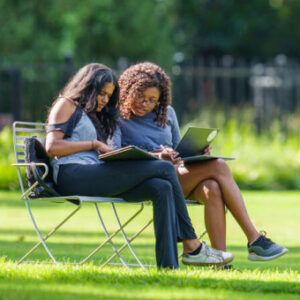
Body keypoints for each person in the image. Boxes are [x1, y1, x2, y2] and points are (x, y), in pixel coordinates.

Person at [45, 62, 234, 269]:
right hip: (72, 174)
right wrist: (94, 144)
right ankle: (192, 245)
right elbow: (52, 146)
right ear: (87, 87)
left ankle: (169, 267)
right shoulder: (66, 104)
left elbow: (109, 148)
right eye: (101, 94)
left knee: (161, 187)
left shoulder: (96, 113)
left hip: (96, 173)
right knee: (164, 168)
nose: (105, 100)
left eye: (108, 96)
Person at [111, 61, 288, 263]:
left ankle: (220, 265)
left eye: (152, 100)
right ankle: (254, 238)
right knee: (218, 165)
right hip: (145, 179)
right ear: (128, 91)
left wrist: (195, 152)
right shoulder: (117, 116)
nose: (146, 104)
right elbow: (114, 153)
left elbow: (178, 152)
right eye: (141, 97)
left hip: (174, 175)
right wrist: (155, 155)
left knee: (212, 187)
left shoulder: (166, 113)